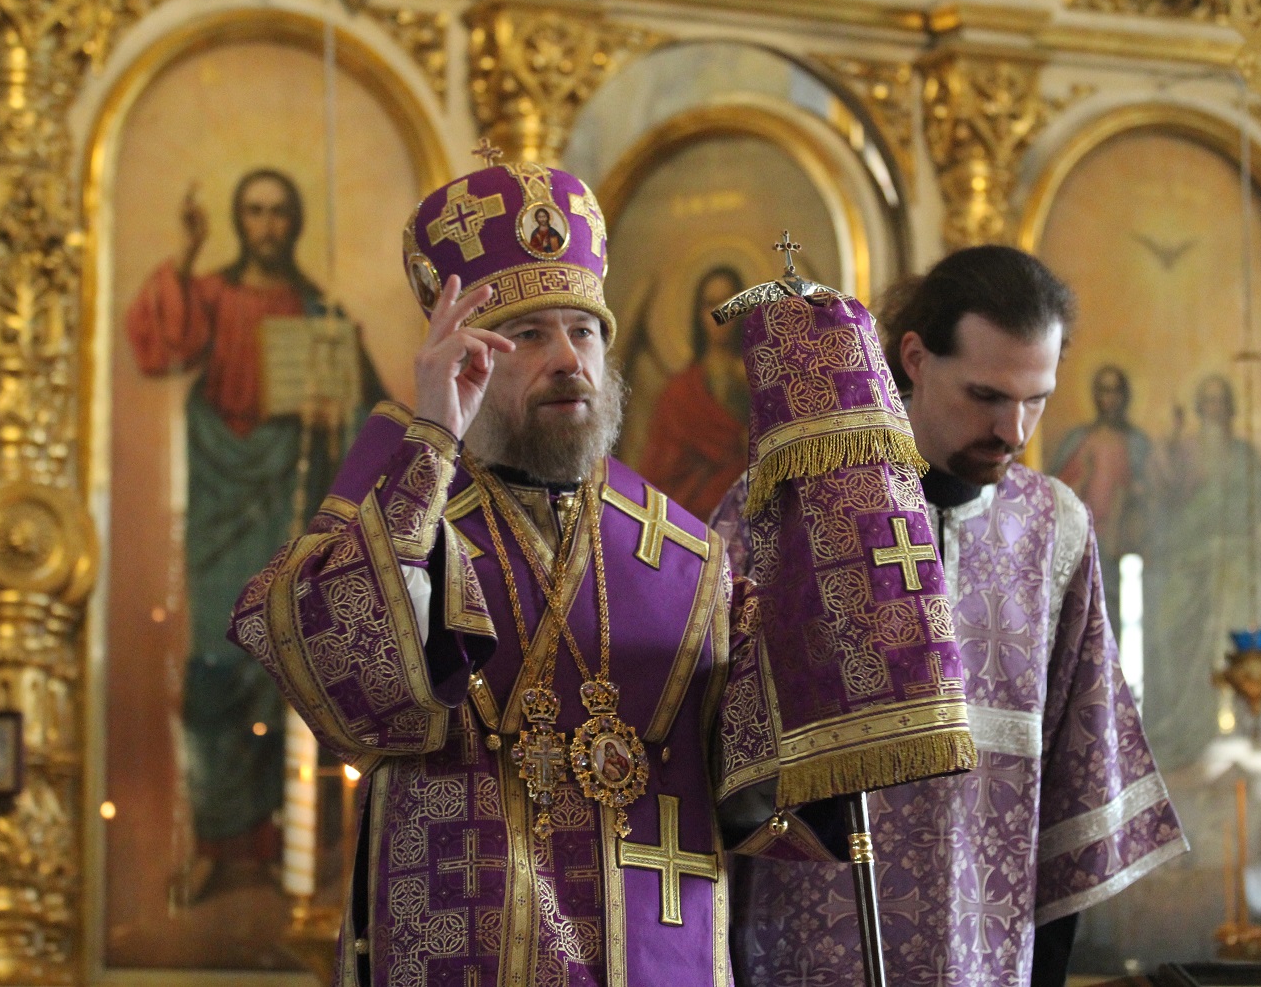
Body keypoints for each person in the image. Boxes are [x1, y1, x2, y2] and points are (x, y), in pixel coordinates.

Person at [226, 159, 967, 985]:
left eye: (583, 332)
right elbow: (347, 682)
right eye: (528, 335)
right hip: (466, 944)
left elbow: (760, 772)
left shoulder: (687, 557)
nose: (567, 360)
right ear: (462, 357)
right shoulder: (403, 514)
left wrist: (838, 562)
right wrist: (431, 437)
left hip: (658, 950)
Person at [712, 245, 1185, 987]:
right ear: (915, 358)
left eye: (1036, 399)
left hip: (985, 961)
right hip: (808, 952)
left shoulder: (1055, 529)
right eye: (987, 395)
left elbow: (1076, 782)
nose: (1015, 430)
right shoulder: (783, 502)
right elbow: (714, 750)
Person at [126, 168, 381, 898]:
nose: (266, 225)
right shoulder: (208, 292)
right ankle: (215, 836)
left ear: (293, 222)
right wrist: (186, 253)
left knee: (280, 663)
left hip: (286, 499)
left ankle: (277, 838)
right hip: (218, 492)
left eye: (277, 212)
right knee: (214, 662)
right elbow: (158, 345)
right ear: (239, 221)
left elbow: (374, 421)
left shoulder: (320, 311)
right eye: (254, 212)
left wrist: (333, 415)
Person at [1143, 373, 1261, 770]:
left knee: (1232, 630)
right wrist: (1170, 447)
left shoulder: (1244, 455)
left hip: (1236, 564)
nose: (1213, 410)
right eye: (1206, 402)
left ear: (1229, 409)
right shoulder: (1186, 451)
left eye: (1220, 401)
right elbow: (1166, 498)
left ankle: (1239, 730)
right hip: (1188, 564)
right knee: (1174, 634)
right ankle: (1186, 731)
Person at [637, 266, 752, 519]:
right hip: (691, 524)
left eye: (730, 303)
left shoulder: (760, 381)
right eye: (711, 304)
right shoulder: (680, 394)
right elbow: (659, 477)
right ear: (699, 313)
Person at [1049, 364, 1151, 616]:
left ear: (1124, 396)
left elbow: (1153, 495)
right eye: (1105, 391)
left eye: (1116, 391)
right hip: (1083, 539)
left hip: (1122, 540)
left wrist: (1135, 496)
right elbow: (1057, 490)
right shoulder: (1079, 439)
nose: (1110, 399)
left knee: (1118, 610)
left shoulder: (1137, 442)